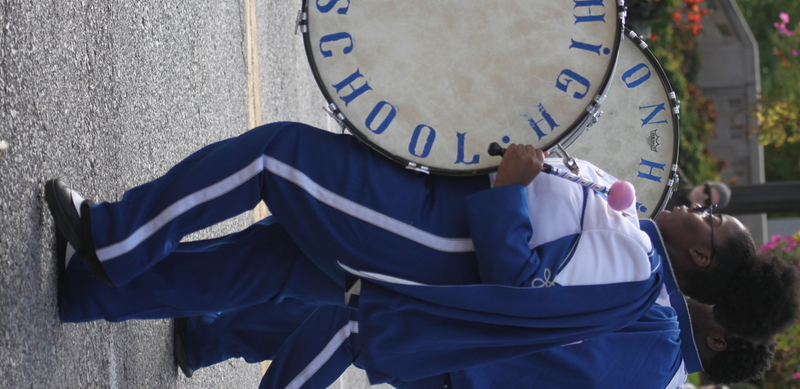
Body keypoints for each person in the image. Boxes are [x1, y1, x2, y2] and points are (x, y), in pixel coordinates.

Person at [46, 122, 798, 382]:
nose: (699, 208)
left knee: (276, 159)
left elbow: (523, 290)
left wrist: (509, 190)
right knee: (275, 259)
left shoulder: (636, 268)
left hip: (431, 239)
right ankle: (90, 293)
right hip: (435, 227)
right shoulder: (639, 253)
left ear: (701, 260)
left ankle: (118, 238)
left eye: (710, 224)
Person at [173, 297, 775, 389]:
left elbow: (563, 333)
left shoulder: (661, 331)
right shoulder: (665, 375)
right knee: (345, 318)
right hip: (471, 370)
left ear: (718, 341)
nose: (712, 300)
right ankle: (208, 337)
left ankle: (211, 336)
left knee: (349, 322)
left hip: (474, 353)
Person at [667, 166, 732, 211]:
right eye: (707, 191)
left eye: (708, 201)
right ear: (704, 184)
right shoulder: (674, 174)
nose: (704, 196)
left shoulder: (679, 219)